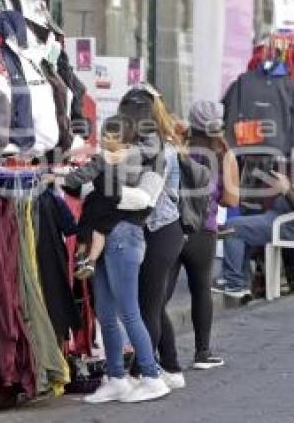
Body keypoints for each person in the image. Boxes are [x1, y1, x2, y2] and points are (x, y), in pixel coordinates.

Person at [61, 111, 170, 404]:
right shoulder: (109, 158)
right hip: (106, 233)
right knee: (106, 315)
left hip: (124, 235)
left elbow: (142, 200)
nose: (109, 140)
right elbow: (82, 188)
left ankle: (151, 375)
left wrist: (104, 182)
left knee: (128, 312)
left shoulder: (152, 163)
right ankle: (117, 377)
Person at [159, 100, 239, 372]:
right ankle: (202, 352)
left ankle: (154, 354)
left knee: (160, 294)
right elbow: (230, 199)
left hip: (171, 226)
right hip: (203, 230)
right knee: (201, 288)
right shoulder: (224, 155)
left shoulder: (176, 148)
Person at [118, 85, 187, 389]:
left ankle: (142, 374)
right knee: (156, 304)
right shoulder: (154, 147)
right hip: (163, 232)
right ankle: (171, 368)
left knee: (148, 305)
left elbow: (147, 198)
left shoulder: (162, 151)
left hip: (160, 232)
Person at [215, 134, 294, 297]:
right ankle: (242, 281)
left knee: (232, 227)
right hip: (284, 220)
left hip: (288, 226)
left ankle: (234, 283)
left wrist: (286, 187)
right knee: (243, 223)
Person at [64, 114, 147, 279]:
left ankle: (81, 255)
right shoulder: (136, 155)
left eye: (111, 137)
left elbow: (85, 174)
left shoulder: (104, 157)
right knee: (99, 230)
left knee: (87, 222)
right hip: (123, 204)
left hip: (102, 199)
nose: (107, 140)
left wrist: (63, 180)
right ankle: (91, 261)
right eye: (105, 136)